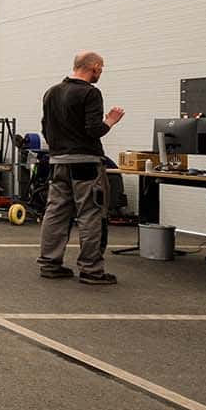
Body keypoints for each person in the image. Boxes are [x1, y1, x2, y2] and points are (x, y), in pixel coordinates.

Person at [37, 51, 125, 284]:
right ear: (94, 66)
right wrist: (110, 121)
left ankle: (49, 264)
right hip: (86, 163)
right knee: (91, 215)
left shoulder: (52, 92)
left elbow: (46, 128)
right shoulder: (90, 93)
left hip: (57, 163)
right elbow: (94, 129)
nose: (101, 73)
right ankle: (91, 270)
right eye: (101, 69)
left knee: (55, 213)